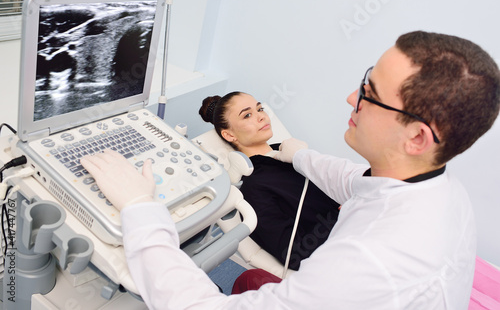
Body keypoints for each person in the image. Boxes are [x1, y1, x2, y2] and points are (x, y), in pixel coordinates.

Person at [80, 31, 500, 309]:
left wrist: (140, 208)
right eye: (365, 79)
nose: (351, 96)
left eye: (370, 94)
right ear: (227, 135)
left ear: (417, 138)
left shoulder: (366, 263)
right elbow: (350, 180)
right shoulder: (440, 191)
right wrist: (296, 155)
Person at [198, 92, 340, 270]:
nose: (261, 117)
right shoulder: (254, 187)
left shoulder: (292, 155)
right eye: (247, 115)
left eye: (260, 109)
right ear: (229, 135)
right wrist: (341, 215)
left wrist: (305, 158)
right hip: (337, 255)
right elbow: (294, 255)